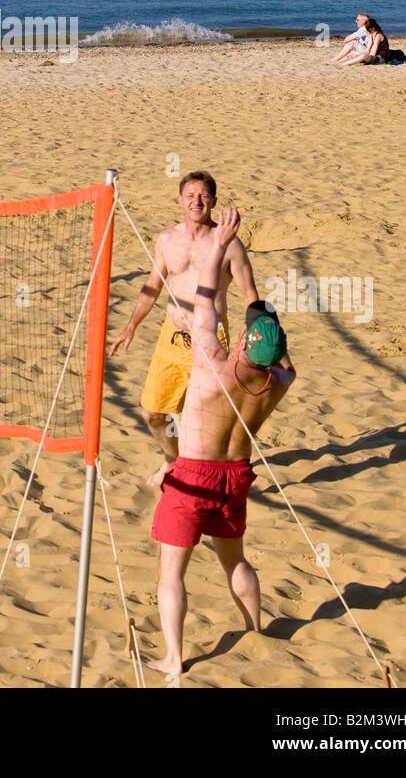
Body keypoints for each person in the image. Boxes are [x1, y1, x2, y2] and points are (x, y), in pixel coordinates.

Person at [149, 206, 296, 679]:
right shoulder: (278, 382)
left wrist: (214, 250)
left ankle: (175, 658)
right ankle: (255, 629)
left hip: (193, 474)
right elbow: (283, 358)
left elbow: (205, 299)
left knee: (172, 572)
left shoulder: (211, 361)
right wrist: (270, 329)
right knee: (235, 560)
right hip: (236, 475)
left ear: (243, 343)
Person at [109, 171, 259, 487]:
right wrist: (131, 325)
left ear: (214, 201)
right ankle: (171, 460)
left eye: (203, 196)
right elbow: (152, 285)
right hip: (172, 337)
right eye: (190, 195)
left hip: (211, 341)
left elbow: (250, 295)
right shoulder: (167, 239)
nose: (197, 202)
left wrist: (253, 333)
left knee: (205, 420)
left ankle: (214, 475)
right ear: (180, 201)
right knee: (152, 413)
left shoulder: (229, 245)